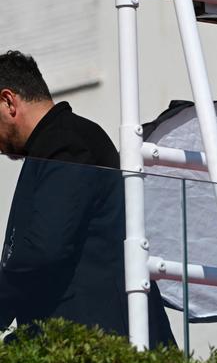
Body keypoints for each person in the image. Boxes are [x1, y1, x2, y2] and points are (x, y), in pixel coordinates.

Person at [0, 51, 174, 345]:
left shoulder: (64, 142)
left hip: (103, 344)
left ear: (8, 102)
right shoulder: (58, 142)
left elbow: (44, 249)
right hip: (92, 341)